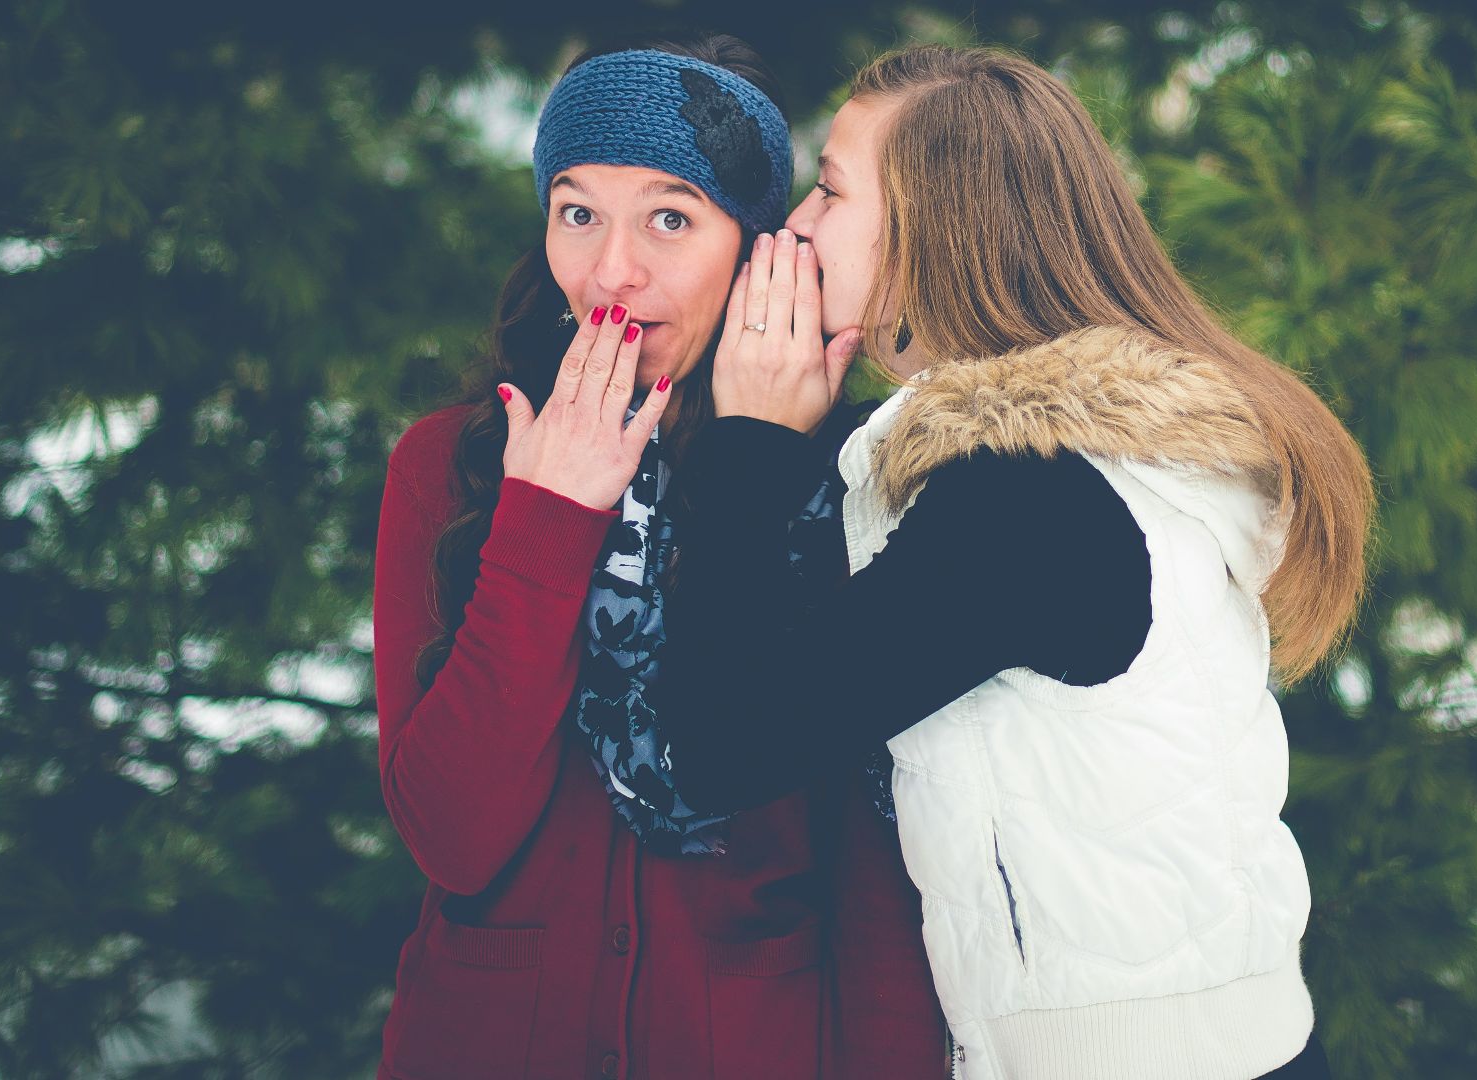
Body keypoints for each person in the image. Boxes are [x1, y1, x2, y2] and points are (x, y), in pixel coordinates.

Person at [650, 45, 1373, 1079]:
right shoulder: (1107, 460)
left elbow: (723, 747)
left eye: (831, 190)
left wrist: (752, 447)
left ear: (932, 229)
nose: (798, 228)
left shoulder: (1026, 501)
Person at [371, 35, 942, 1079]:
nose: (610, 272)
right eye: (577, 211)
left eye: (671, 218)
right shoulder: (450, 467)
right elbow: (451, 837)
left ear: (756, 248)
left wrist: (756, 463)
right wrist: (546, 520)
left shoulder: (845, 478)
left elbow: (873, 877)